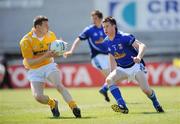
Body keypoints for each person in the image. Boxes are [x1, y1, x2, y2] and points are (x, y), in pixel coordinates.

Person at [19, 15, 81, 118]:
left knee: (58, 85)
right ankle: (52, 103)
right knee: (38, 97)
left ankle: (74, 106)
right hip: (34, 69)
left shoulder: (50, 35)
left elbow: (53, 53)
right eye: (46, 25)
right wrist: (45, 55)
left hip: (49, 65)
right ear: (38, 27)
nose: (48, 27)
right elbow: (30, 63)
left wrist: (59, 51)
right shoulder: (26, 41)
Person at [102, 16, 164, 114]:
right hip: (122, 68)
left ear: (114, 26)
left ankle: (156, 103)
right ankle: (122, 105)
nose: (105, 29)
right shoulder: (106, 41)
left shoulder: (124, 37)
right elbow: (111, 55)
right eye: (103, 27)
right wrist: (112, 71)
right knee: (109, 79)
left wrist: (139, 57)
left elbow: (142, 45)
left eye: (107, 26)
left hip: (135, 66)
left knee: (146, 90)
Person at [64, 10, 110, 102]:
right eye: (92, 18)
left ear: (101, 19)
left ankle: (105, 89)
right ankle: (119, 99)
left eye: (95, 18)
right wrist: (71, 51)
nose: (93, 20)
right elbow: (78, 39)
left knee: (112, 77)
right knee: (111, 77)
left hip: (108, 56)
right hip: (96, 57)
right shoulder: (89, 30)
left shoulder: (106, 29)